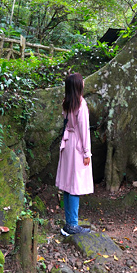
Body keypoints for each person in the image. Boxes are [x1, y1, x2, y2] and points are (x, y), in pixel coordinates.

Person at [55, 72, 93, 235]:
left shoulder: (67, 102)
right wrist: (87, 152)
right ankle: (72, 224)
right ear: (78, 85)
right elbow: (84, 130)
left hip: (67, 143)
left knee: (68, 185)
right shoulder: (81, 104)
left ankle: (69, 223)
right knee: (75, 186)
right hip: (77, 145)